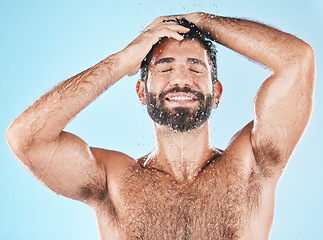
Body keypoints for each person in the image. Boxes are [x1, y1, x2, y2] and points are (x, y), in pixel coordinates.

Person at [6, 12, 315, 240]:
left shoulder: (253, 164)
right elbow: (26, 138)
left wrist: (200, 22)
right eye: (165, 68)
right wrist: (122, 61)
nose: (181, 79)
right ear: (142, 92)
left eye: (196, 68)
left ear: (216, 92)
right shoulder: (113, 181)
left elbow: (297, 61)